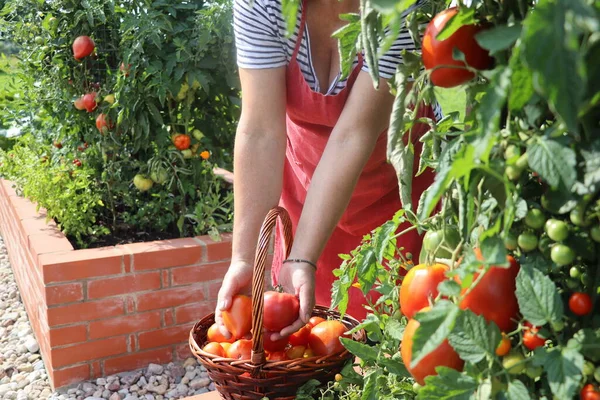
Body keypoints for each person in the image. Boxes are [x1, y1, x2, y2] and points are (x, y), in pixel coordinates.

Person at [215, 0, 441, 340]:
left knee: (397, 341)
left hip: (398, 204)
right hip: (309, 199)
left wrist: (303, 256)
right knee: (315, 348)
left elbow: (355, 133)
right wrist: (246, 260)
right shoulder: (262, 4)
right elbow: (260, 130)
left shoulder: (398, 7)